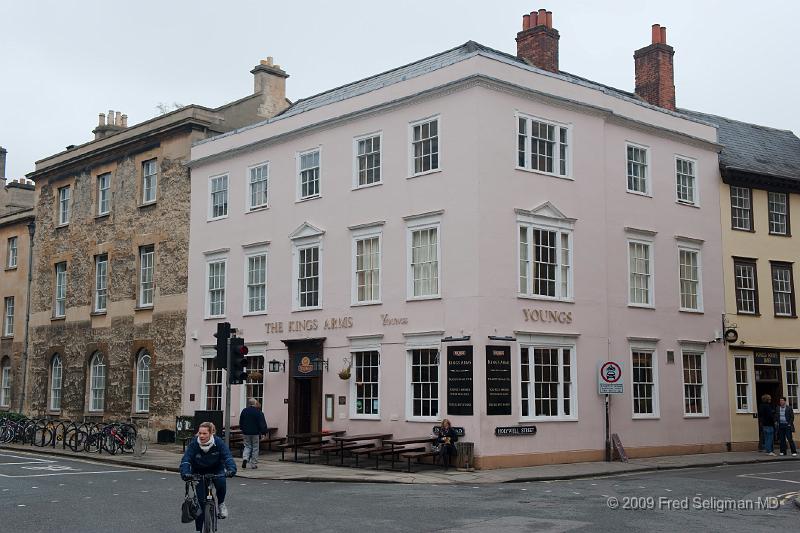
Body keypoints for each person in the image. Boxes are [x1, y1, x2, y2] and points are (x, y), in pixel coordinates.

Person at [180, 422, 237, 531]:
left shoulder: (218, 442)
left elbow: (227, 457)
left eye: (204, 433)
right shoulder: (194, 444)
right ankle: (200, 529)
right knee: (201, 504)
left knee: (221, 481)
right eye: (200, 433)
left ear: (211, 433)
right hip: (199, 471)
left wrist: (231, 469)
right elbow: (186, 460)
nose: (201, 436)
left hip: (216, 469)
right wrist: (185, 473)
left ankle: (221, 503)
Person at [239, 398, 268, 469]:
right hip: (255, 433)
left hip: (246, 432)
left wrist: (242, 429)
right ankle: (253, 464)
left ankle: (245, 458)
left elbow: (241, 422)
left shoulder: (244, 411)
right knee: (255, 447)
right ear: (255, 403)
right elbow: (262, 423)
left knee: (247, 446)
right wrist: (264, 432)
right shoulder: (259, 412)